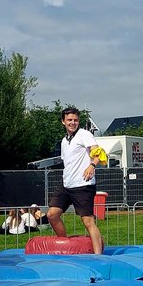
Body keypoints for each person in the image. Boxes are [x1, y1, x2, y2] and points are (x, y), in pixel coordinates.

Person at [47, 107, 103, 254]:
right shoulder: (64, 141)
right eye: (69, 120)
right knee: (52, 214)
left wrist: (92, 165)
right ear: (63, 122)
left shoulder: (85, 135)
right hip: (66, 184)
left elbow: (99, 153)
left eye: (75, 120)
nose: (72, 122)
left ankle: (99, 256)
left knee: (88, 221)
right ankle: (64, 245)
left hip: (83, 184)